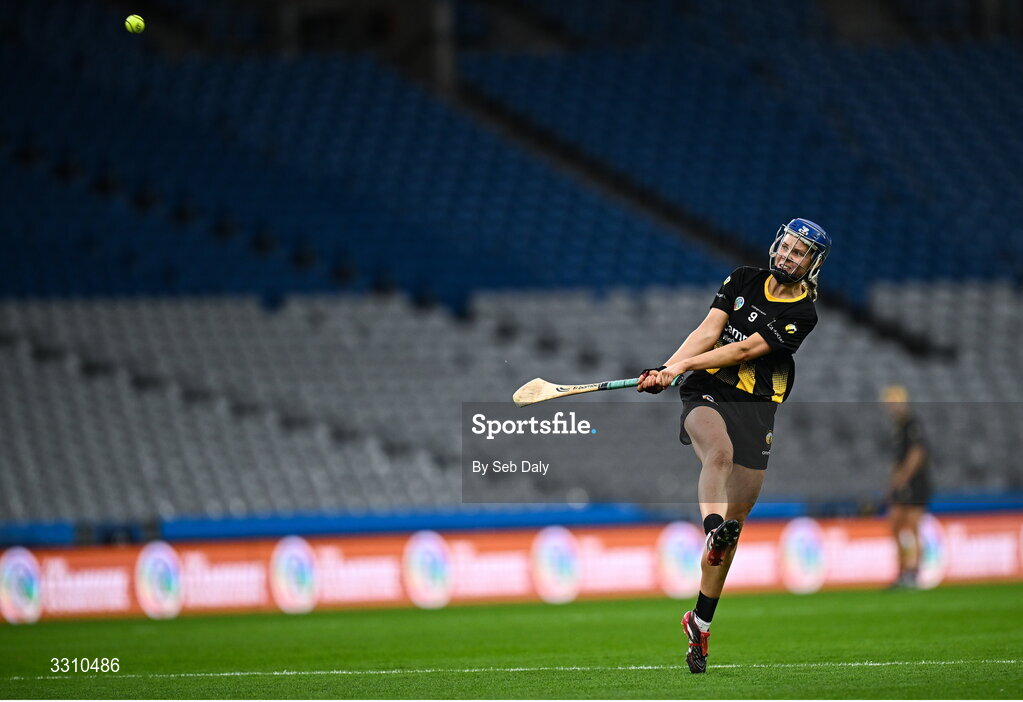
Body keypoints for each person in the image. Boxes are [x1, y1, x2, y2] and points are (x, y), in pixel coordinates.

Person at [637, 218, 831, 674]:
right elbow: (710, 331)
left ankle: (700, 624)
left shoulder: (804, 315)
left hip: (758, 408)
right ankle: (709, 528)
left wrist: (678, 365)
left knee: (737, 522)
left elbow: (744, 352)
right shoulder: (742, 279)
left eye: (798, 253)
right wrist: (671, 369)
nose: (787, 256)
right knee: (718, 455)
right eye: (784, 247)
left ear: (813, 263)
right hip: (707, 391)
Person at [881, 385, 931, 589]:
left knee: (912, 527)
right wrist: (893, 481)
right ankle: (902, 572)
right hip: (903, 483)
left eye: (894, 402)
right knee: (895, 525)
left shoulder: (911, 424)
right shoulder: (898, 427)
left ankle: (914, 572)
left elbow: (917, 453)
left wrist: (904, 477)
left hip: (915, 483)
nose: (892, 406)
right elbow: (899, 457)